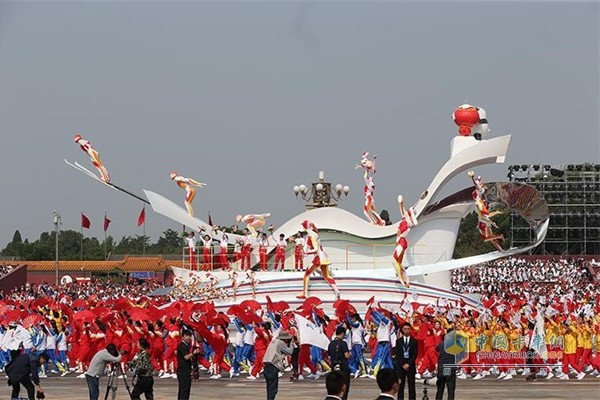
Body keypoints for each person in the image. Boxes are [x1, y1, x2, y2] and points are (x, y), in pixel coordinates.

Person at [263, 330, 294, 400]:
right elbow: (289, 352)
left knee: (269, 388)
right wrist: (292, 344)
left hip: (267, 366)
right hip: (273, 368)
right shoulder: (280, 343)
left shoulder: (273, 341)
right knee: (273, 390)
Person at [394, 322, 418, 400]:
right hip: (401, 367)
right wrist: (403, 364)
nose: (407, 330)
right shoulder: (398, 341)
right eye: (405, 329)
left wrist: (408, 364)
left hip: (410, 366)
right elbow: (397, 354)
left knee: (412, 386)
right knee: (400, 386)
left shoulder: (414, 341)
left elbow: (415, 354)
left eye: (408, 329)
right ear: (402, 330)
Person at [327, 326, 351, 400]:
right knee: (344, 387)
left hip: (334, 367)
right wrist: (350, 354)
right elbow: (347, 356)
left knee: (335, 387)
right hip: (343, 367)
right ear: (342, 333)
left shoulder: (331, 344)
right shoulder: (343, 343)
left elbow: (329, 356)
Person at [434, 329, 458, 400]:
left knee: (440, 389)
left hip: (442, 368)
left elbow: (436, 349)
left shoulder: (442, 344)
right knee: (450, 389)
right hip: (450, 368)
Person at [177, 330, 201, 400]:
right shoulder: (182, 346)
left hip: (185, 370)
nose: (188, 337)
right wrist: (193, 353)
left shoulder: (186, 345)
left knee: (185, 389)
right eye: (187, 336)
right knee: (184, 389)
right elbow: (186, 357)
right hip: (183, 371)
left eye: (189, 336)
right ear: (183, 337)